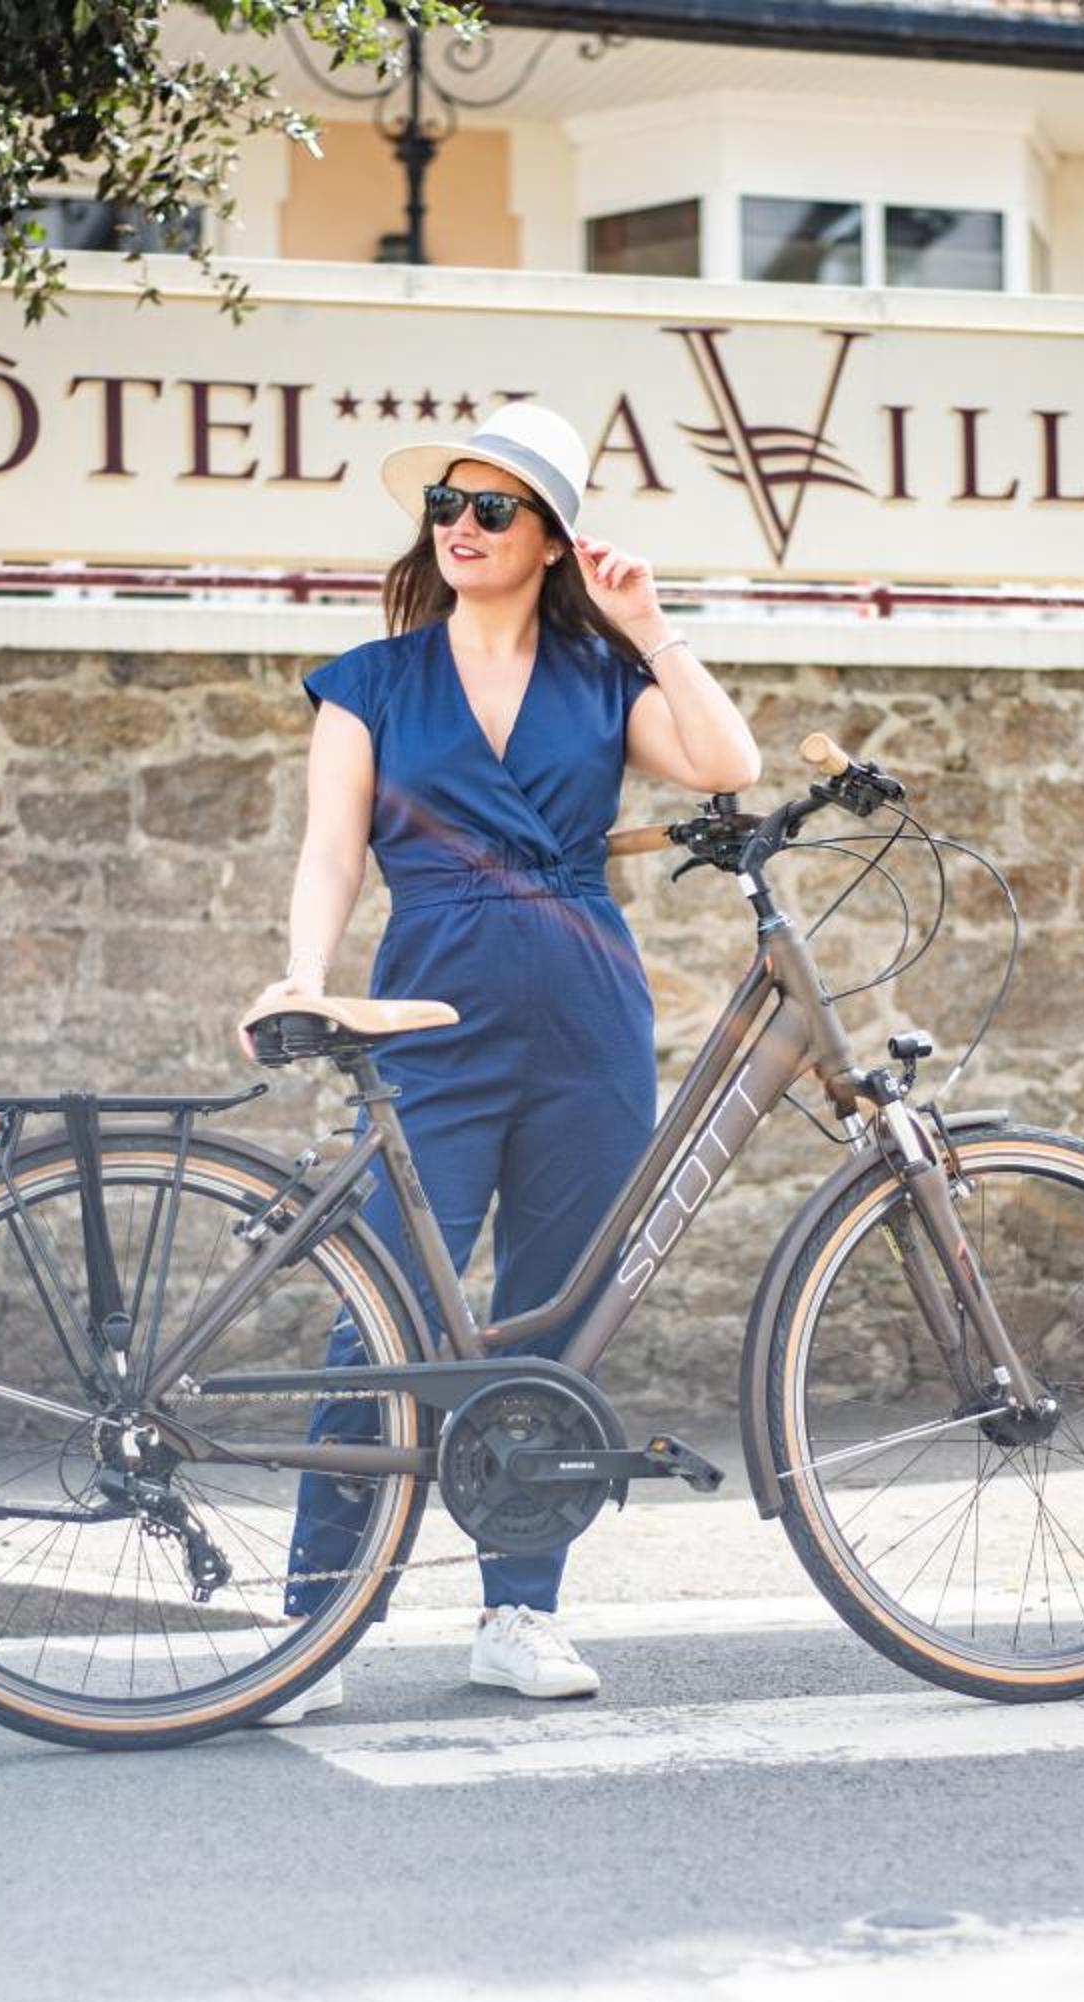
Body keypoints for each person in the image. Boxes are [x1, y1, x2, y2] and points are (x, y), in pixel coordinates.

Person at [236, 400, 761, 1722]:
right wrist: (305, 970)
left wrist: (649, 626)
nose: (460, 527)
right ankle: (317, 1621)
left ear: (551, 540)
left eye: (491, 508)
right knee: (382, 1318)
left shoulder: (599, 677)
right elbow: (330, 852)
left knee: (556, 1319)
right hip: (434, 1017)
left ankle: (521, 1610)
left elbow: (729, 762)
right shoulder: (369, 681)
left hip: (588, 1020)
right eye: (446, 506)